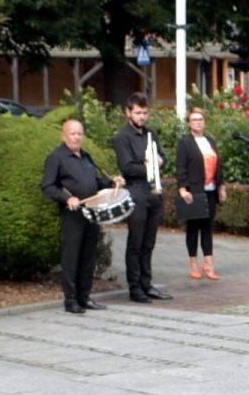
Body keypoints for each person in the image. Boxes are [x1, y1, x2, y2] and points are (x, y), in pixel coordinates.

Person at [41, 118, 123, 315]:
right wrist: (66, 199)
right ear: (64, 135)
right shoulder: (56, 157)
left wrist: (111, 182)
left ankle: (84, 297)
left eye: (79, 133)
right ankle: (70, 300)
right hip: (73, 215)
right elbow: (47, 187)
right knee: (72, 257)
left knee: (88, 256)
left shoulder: (86, 156)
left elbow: (93, 181)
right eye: (73, 133)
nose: (77, 137)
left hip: (91, 212)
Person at [113, 93, 172, 303]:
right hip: (136, 191)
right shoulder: (122, 137)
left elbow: (164, 157)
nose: (142, 117)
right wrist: (148, 165)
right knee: (136, 242)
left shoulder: (151, 135)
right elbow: (127, 168)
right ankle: (135, 288)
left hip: (153, 192)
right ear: (128, 113)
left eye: (145, 113)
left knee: (149, 243)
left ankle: (147, 285)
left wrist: (159, 161)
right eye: (138, 113)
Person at [175, 107, 225, 282]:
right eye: (194, 119)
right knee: (193, 228)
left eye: (200, 119)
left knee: (208, 228)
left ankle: (209, 264)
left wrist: (221, 187)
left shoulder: (210, 141)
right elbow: (180, 168)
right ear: (189, 123)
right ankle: (193, 264)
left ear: (205, 121)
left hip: (211, 191)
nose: (198, 122)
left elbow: (220, 165)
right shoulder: (185, 143)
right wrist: (183, 189)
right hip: (194, 192)